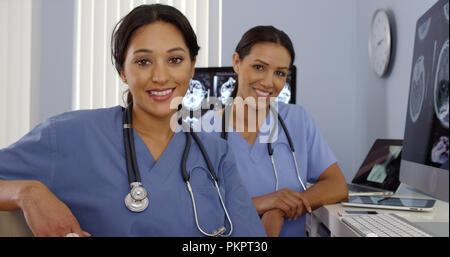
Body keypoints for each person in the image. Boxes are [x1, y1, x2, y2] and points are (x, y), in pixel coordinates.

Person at [0, 4, 266, 237]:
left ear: (192, 64)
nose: (160, 76)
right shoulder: (70, 135)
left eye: (175, 59)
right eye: (143, 61)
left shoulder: (215, 154)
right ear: (122, 71)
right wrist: (27, 192)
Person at [203, 26, 348, 237]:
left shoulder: (297, 120)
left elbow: (337, 185)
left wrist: (280, 209)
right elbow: (196, 210)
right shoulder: (201, 132)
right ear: (236, 62)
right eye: (259, 67)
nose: (269, 82)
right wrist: (265, 203)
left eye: (280, 73)